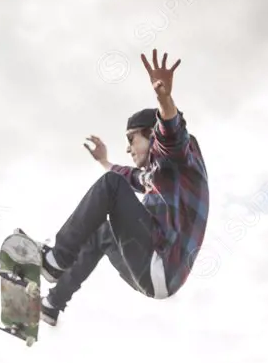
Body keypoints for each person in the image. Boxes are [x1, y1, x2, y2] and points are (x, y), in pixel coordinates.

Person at [39, 49, 210, 325]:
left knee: (112, 185)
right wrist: (105, 162)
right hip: (154, 278)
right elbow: (128, 177)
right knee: (102, 232)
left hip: (160, 263)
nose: (128, 148)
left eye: (132, 139)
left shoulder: (179, 156)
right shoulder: (156, 175)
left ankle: (56, 259)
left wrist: (164, 99)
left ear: (151, 135)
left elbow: (173, 135)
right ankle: (51, 304)